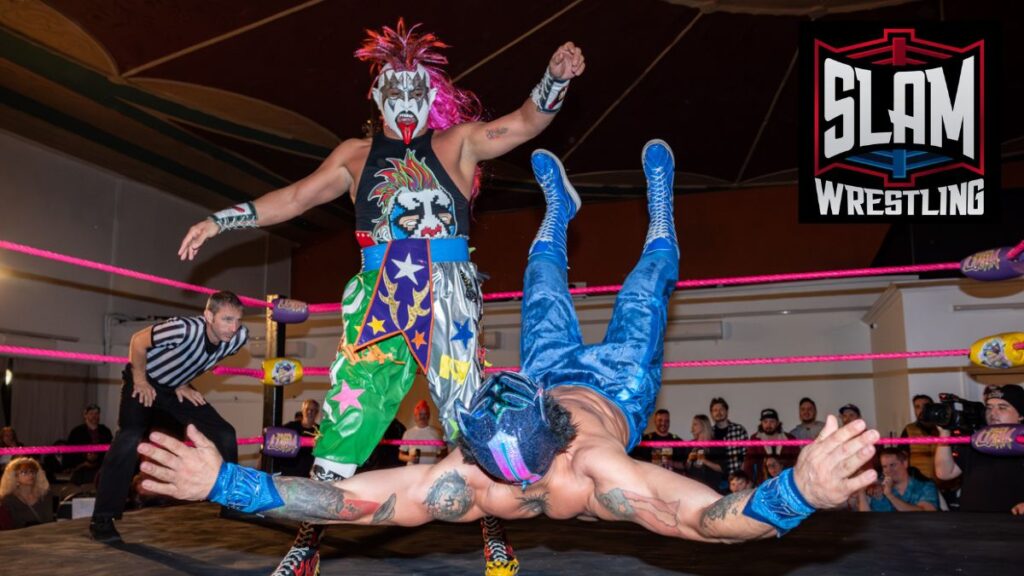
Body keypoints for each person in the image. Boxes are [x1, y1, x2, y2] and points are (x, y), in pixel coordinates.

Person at [140, 141, 880, 549]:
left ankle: (560, 208)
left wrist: (226, 485)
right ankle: (659, 215)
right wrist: (799, 495)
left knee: (540, 277)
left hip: (556, 367)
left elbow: (345, 502)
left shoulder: (475, 480)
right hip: (617, 387)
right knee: (643, 287)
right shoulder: (584, 472)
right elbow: (704, 520)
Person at [176, 20, 584, 576]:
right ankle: (307, 544)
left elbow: (523, 124)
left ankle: (492, 531)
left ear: (430, 92)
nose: (405, 99)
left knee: (471, 420)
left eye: (416, 87)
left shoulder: (457, 142)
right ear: (376, 95)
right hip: (379, 293)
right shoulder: (354, 156)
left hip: (446, 291)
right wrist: (222, 220)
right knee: (346, 418)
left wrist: (553, 79)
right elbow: (295, 198)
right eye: (393, 88)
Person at [88, 291, 248, 543]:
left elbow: (201, 359)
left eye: (238, 320)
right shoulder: (182, 329)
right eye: (227, 320)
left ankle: (230, 502)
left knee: (224, 433)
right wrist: (140, 380)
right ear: (208, 315)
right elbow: (138, 342)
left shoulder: (238, 338)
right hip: (144, 380)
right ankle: (102, 518)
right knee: (129, 438)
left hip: (175, 388)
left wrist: (183, 382)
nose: (234, 327)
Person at [934, 384, 1024, 514]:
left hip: (1011, 525)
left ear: (1021, 415)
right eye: (989, 408)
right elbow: (944, 473)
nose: (993, 413)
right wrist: (945, 432)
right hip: (972, 523)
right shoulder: (977, 438)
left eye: (1002, 408)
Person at [856, 448, 938, 512]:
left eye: (893, 465)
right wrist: (861, 491)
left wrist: (890, 495)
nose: (888, 470)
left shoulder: (925, 486)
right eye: (885, 466)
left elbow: (926, 514)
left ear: (905, 463)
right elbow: (868, 521)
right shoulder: (879, 490)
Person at [742, 408, 799, 484]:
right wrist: (748, 482)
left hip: (786, 482)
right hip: (763, 483)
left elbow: (797, 461)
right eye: (765, 422)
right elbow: (749, 463)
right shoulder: (755, 439)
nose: (768, 425)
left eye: (772, 421)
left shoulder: (790, 439)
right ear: (761, 423)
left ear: (778, 423)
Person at [0, 457, 54, 530]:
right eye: (24, 472)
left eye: (32, 471)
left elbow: (49, 521)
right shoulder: (8, 500)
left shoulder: (45, 495)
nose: (30, 475)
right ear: (14, 477)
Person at [276, 399, 321, 477]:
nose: (309, 412)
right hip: (288, 472)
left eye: (313, 410)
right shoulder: (290, 427)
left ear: (316, 413)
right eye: (307, 409)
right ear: (302, 410)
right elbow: (275, 439)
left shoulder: (320, 431)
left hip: (307, 475)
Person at [64, 403, 114, 471]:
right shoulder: (76, 432)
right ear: (85, 415)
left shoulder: (105, 431)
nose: (94, 416)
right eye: (91, 413)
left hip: (101, 467)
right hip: (82, 468)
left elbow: (110, 449)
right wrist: (85, 457)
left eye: (96, 413)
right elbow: (70, 451)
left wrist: (97, 457)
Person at [683, 414, 726, 492]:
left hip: (711, 487)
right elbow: (686, 468)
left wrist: (704, 461)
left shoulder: (716, 444)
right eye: (692, 424)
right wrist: (689, 460)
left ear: (703, 425)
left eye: (695, 424)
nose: (692, 427)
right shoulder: (691, 444)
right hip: (694, 487)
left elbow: (721, 468)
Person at [900, 394, 939, 479]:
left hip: (943, 483)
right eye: (917, 407)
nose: (921, 410)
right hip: (919, 484)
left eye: (925, 406)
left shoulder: (942, 430)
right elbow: (902, 459)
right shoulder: (908, 430)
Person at [399, 401, 445, 466]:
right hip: (412, 471)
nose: (422, 417)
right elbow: (400, 455)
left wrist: (439, 460)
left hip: (430, 471)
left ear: (428, 416)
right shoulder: (408, 433)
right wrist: (409, 458)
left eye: (425, 414)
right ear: (415, 416)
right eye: (420, 414)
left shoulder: (437, 433)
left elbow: (444, 452)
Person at [709, 397, 747, 476]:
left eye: (721, 409)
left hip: (736, 478)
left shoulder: (739, 429)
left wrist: (741, 475)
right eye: (715, 410)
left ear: (727, 411)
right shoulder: (709, 433)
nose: (718, 412)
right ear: (711, 414)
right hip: (716, 479)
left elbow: (746, 455)